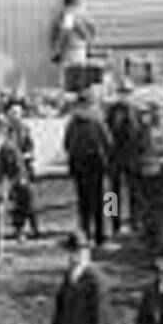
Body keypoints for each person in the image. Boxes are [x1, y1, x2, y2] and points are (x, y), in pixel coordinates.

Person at [63, 91, 112, 247]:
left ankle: (99, 232)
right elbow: (67, 144)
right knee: (89, 201)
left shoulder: (95, 122)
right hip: (85, 165)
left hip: (94, 165)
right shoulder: (79, 123)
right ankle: (90, 232)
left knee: (102, 200)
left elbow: (107, 142)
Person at [104, 81, 146, 236]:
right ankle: (112, 222)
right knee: (111, 193)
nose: (124, 95)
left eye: (127, 92)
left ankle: (136, 221)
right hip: (114, 156)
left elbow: (141, 134)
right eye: (122, 92)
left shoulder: (137, 112)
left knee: (135, 191)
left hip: (132, 157)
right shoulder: (111, 111)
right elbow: (105, 133)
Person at [0, 102, 40, 239]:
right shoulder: (5, 131)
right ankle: (19, 229)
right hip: (11, 170)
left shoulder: (24, 130)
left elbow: (30, 149)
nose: (14, 117)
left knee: (29, 200)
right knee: (16, 201)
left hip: (25, 170)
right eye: (12, 114)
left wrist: (24, 157)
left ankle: (34, 227)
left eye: (17, 114)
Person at [50, 0, 96, 92]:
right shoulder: (81, 16)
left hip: (72, 50)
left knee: (69, 79)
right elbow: (90, 33)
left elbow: (64, 33)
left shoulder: (70, 16)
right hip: (78, 50)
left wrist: (57, 50)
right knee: (77, 78)